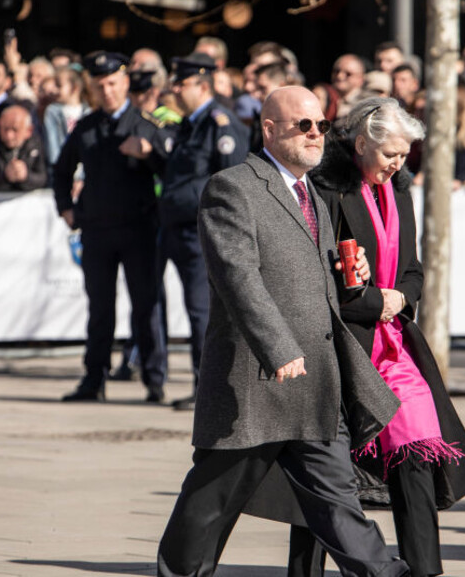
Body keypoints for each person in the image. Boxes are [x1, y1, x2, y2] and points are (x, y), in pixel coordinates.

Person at [155, 85, 409, 577]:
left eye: (322, 125)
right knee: (211, 500)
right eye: (303, 125)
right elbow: (238, 278)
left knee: (339, 503)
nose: (317, 135)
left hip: (316, 383)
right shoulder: (233, 187)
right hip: (257, 382)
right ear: (269, 129)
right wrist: (277, 348)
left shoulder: (313, 192)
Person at [285, 96, 465, 577]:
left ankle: (424, 569)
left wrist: (399, 297)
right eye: (389, 154)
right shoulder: (326, 188)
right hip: (339, 343)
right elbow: (325, 282)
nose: (398, 164)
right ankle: (305, 570)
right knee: (325, 470)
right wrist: (379, 299)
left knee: (418, 445)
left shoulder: (400, 187)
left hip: (393, 343)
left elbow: (414, 271)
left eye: (404, 155)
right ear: (360, 144)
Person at [52, 51, 166, 403]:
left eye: (113, 83)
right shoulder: (86, 127)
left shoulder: (145, 124)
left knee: (145, 307)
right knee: (100, 308)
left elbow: (169, 169)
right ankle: (93, 379)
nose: (107, 91)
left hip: (138, 230)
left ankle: (153, 378)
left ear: (126, 82)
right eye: (100, 85)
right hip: (97, 230)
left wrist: (148, 152)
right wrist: (66, 210)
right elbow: (61, 170)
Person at [154, 53, 249, 410]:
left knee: (201, 311)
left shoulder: (220, 124)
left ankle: (208, 387)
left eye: (182, 83)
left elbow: (230, 183)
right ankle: (199, 383)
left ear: (203, 86)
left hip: (201, 234)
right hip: (176, 228)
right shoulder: (189, 124)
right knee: (192, 310)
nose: (175, 89)